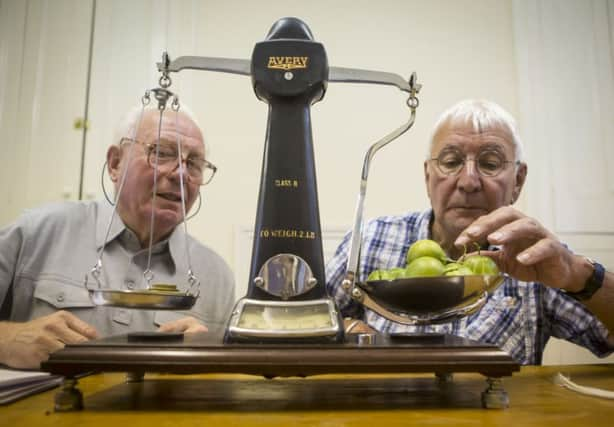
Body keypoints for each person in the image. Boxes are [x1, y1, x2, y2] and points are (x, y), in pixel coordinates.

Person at [326, 99, 613, 365]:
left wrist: (578, 274)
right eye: (451, 162)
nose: (469, 182)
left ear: (518, 181)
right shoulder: (370, 240)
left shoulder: (536, 258)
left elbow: (605, 338)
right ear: (428, 177)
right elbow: (303, 320)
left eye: (490, 164)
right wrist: (352, 329)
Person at [0, 103, 235, 369]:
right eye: (162, 153)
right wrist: (8, 339)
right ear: (114, 163)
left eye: (194, 164)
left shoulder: (216, 277)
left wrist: (207, 360)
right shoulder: (37, 232)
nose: (181, 174)